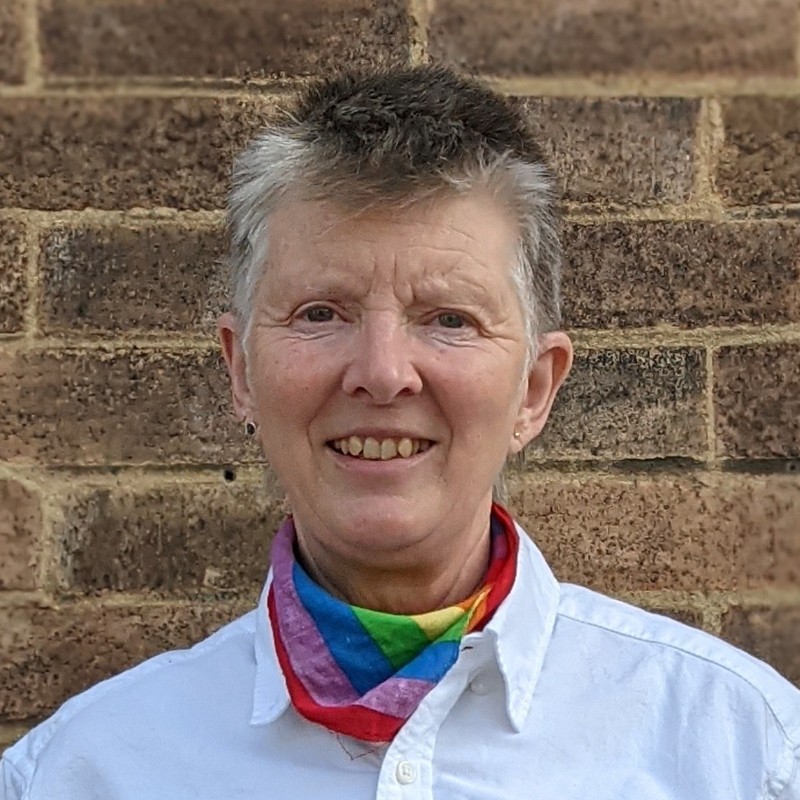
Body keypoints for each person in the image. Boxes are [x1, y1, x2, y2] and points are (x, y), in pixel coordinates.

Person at [2, 66, 798, 800]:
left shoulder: (740, 750)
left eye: (449, 319)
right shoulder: (85, 772)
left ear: (533, 389)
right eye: (321, 313)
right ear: (242, 371)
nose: (383, 373)